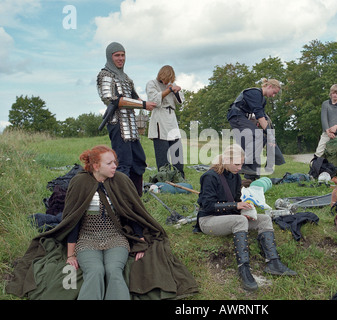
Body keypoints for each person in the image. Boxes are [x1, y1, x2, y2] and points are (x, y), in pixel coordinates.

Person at [5, 145, 198, 300]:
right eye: (110, 163)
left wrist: (140, 240)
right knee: (95, 271)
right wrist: (70, 254)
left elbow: (133, 213)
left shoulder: (121, 180)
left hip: (116, 238)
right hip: (87, 239)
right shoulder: (79, 183)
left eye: (115, 161)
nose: (115, 165)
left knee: (114, 270)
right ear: (96, 165)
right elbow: (72, 220)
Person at [195, 144, 296, 291]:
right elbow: (208, 206)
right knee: (240, 220)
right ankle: (244, 269)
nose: (239, 167)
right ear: (226, 160)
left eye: (241, 163)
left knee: (264, 219)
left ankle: (273, 262)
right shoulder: (209, 177)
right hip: (208, 220)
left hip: (229, 218)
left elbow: (236, 201)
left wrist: (245, 208)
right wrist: (236, 207)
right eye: (236, 164)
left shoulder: (235, 177)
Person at [97, 42, 156, 196]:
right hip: (117, 124)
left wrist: (148, 103)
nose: (121, 58)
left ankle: (136, 197)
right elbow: (112, 99)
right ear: (110, 57)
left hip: (131, 124)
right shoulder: (105, 75)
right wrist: (143, 105)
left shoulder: (126, 78)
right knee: (123, 163)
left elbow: (134, 97)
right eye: (117, 55)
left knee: (138, 161)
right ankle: (120, 197)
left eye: (123, 55)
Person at [227, 78, 284, 180]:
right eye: (274, 92)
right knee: (259, 137)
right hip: (236, 116)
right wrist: (270, 135)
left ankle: (252, 177)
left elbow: (261, 117)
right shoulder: (254, 93)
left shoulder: (262, 100)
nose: (273, 96)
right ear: (269, 86)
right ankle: (244, 165)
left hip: (245, 118)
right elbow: (260, 117)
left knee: (255, 143)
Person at [146, 65, 185, 178]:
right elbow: (154, 100)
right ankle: (164, 176)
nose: (166, 82)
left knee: (176, 149)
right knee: (162, 151)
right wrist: (168, 90)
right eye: (165, 79)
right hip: (159, 116)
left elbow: (180, 101)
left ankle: (179, 175)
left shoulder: (171, 85)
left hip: (171, 118)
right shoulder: (152, 84)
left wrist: (176, 90)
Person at [314, 84, 337, 158]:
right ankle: (315, 168)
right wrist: (328, 131)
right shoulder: (325, 104)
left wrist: (336, 126)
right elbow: (324, 118)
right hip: (327, 133)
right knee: (318, 152)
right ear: (331, 94)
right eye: (333, 93)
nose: (335, 95)